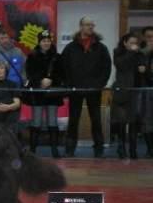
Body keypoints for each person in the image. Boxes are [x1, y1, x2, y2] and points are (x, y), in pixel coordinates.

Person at [62, 16, 112, 158]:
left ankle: (99, 148)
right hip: (75, 89)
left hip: (93, 90)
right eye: (87, 25)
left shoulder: (101, 48)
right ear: (81, 26)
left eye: (92, 25)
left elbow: (106, 68)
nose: (90, 27)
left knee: (96, 119)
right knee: (73, 119)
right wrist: (69, 84)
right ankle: (70, 148)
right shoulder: (70, 47)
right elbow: (64, 67)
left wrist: (99, 84)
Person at [25, 30, 65, 158]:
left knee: (52, 121)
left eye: (48, 40)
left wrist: (52, 80)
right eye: (43, 41)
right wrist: (40, 81)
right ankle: (32, 150)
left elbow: (62, 74)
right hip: (38, 92)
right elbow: (29, 73)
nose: (46, 43)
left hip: (52, 93)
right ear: (39, 42)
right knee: (36, 121)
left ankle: (54, 150)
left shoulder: (57, 57)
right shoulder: (32, 56)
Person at [111, 33, 146, 159]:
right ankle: (121, 148)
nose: (134, 45)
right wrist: (131, 53)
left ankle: (133, 149)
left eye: (135, 43)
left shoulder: (139, 54)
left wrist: (143, 66)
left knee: (133, 122)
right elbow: (121, 65)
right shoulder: (118, 52)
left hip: (135, 91)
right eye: (131, 42)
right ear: (125, 43)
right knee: (121, 121)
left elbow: (143, 67)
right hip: (122, 91)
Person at [140, 26, 153, 158]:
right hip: (146, 91)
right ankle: (150, 149)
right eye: (149, 36)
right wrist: (147, 51)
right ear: (144, 38)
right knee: (147, 121)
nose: (151, 39)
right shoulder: (140, 52)